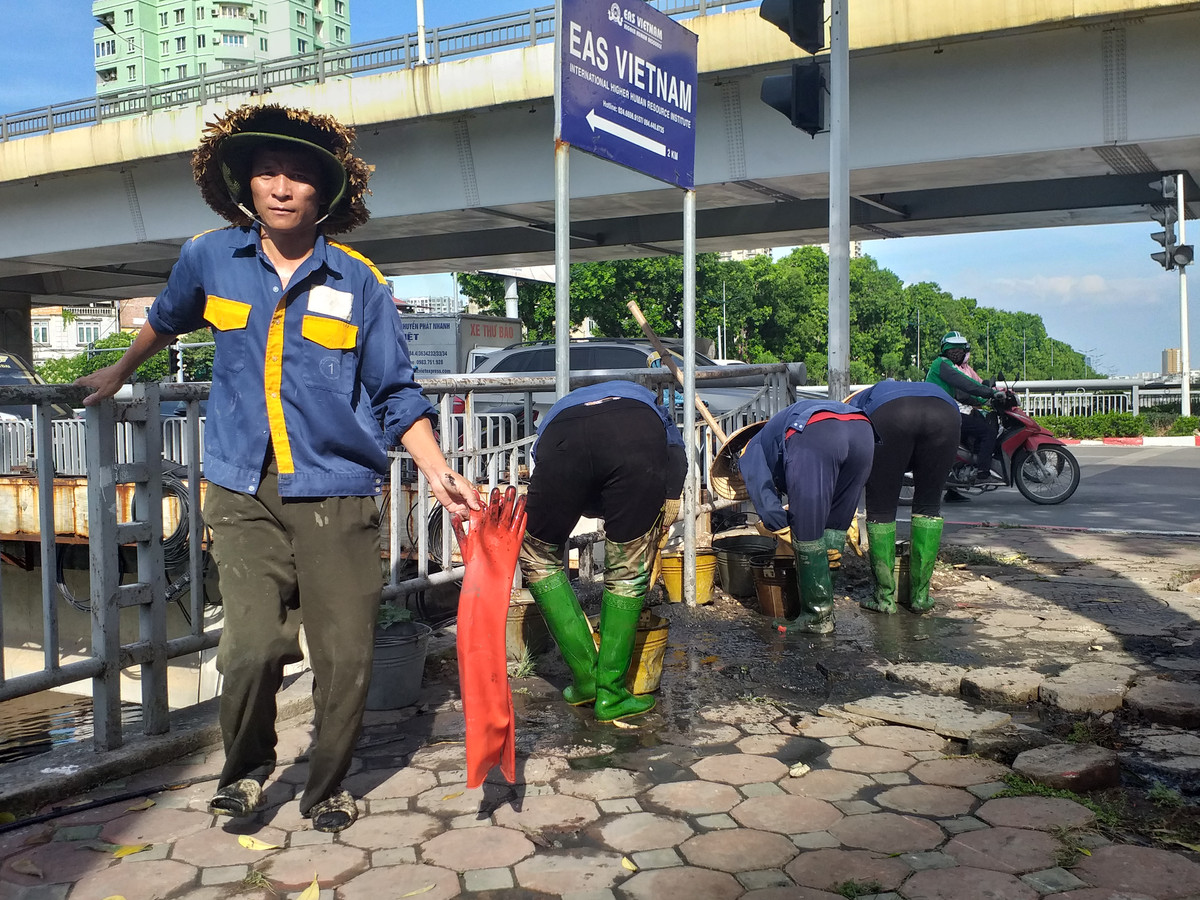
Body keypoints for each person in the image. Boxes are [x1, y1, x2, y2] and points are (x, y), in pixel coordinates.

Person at [76, 104, 481, 833]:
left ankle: (326, 786)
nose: (283, 187)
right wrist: (119, 369)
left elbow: (395, 392)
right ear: (247, 184)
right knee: (253, 647)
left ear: (324, 196)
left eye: (299, 176)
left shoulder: (360, 282)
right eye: (269, 172)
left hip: (338, 492)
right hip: (241, 488)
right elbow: (167, 317)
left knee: (346, 656)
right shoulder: (209, 257)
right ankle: (246, 772)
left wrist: (440, 468)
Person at [517, 380, 687, 723]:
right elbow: (676, 451)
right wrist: (669, 495)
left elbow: (542, 461)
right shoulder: (647, 402)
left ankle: (585, 681)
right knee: (627, 574)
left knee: (537, 556)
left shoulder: (562, 407)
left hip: (562, 441)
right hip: (636, 439)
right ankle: (611, 694)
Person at [710, 399, 875, 635]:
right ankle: (825, 608)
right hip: (862, 429)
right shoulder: (775, 433)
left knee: (807, 532)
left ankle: (816, 618)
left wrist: (786, 530)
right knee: (834, 529)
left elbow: (767, 505)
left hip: (816, 432)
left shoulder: (750, 450)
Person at [846, 380, 961, 614]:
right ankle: (920, 597)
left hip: (890, 415)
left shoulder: (859, 401)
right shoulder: (931, 389)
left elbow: (855, 437)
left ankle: (884, 598)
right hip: (945, 415)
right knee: (929, 506)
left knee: (881, 509)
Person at [925, 331, 1005, 490]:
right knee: (987, 431)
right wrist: (990, 393)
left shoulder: (947, 367)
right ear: (948, 351)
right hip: (942, 414)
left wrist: (986, 400)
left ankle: (955, 487)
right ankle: (983, 473)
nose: (958, 353)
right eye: (955, 350)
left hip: (944, 411)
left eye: (960, 350)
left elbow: (964, 393)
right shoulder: (942, 364)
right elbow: (966, 383)